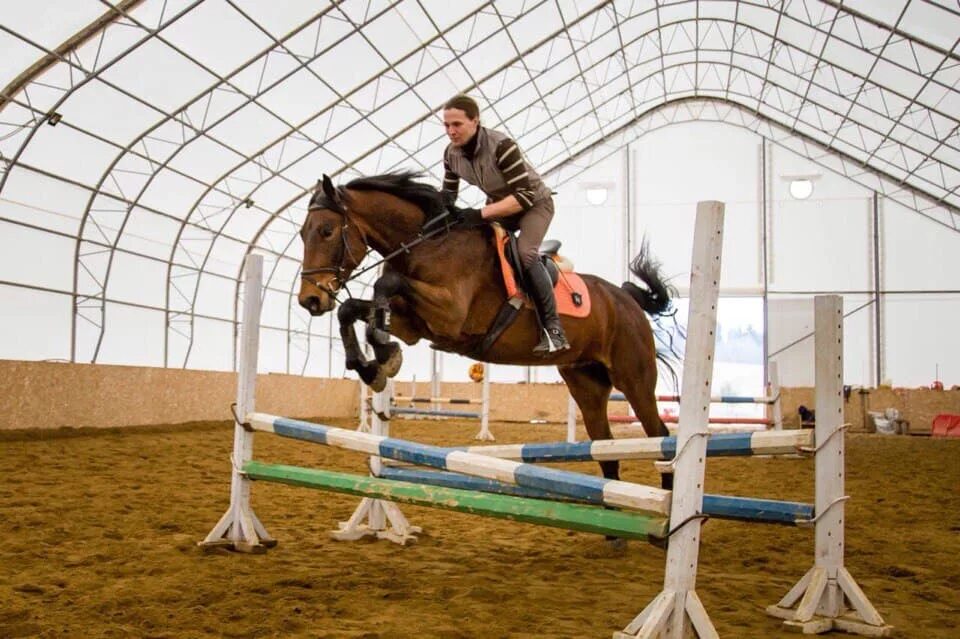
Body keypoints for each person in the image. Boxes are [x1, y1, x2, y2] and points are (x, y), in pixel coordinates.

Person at [440, 94, 570, 354]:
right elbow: (448, 197)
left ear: (475, 121)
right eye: (446, 125)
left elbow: (524, 196)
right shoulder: (450, 154)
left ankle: (554, 330)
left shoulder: (502, 145)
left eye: (457, 124)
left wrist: (480, 213)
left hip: (534, 205)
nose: (451, 131)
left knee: (524, 254)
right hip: (501, 206)